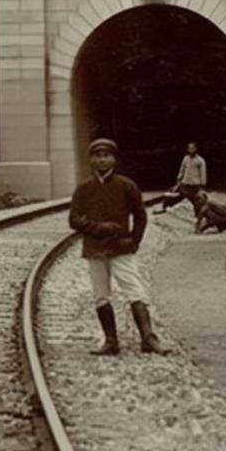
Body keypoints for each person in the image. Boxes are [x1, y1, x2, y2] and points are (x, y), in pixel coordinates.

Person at [69, 138, 169, 356]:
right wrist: (99, 227)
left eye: (107, 155)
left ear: (114, 159)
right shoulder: (84, 189)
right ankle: (110, 341)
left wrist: (134, 241)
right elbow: (74, 220)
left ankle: (148, 338)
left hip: (121, 248)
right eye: (97, 156)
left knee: (134, 290)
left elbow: (141, 216)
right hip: (94, 249)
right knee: (100, 295)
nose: (102, 160)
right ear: (91, 160)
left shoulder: (126, 185)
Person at [154, 141, 207, 215]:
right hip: (184, 184)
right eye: (189, 148)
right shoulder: (186, 159)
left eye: (192, 148)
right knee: (173, 196)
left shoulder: (200, 160)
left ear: (196, 149)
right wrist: (179, 179)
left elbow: (203, 173)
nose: (191, 150)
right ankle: (164, 207)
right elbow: (182, 170)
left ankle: (200, 216)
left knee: (197, 203)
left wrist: (202, 185)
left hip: (194, 186)